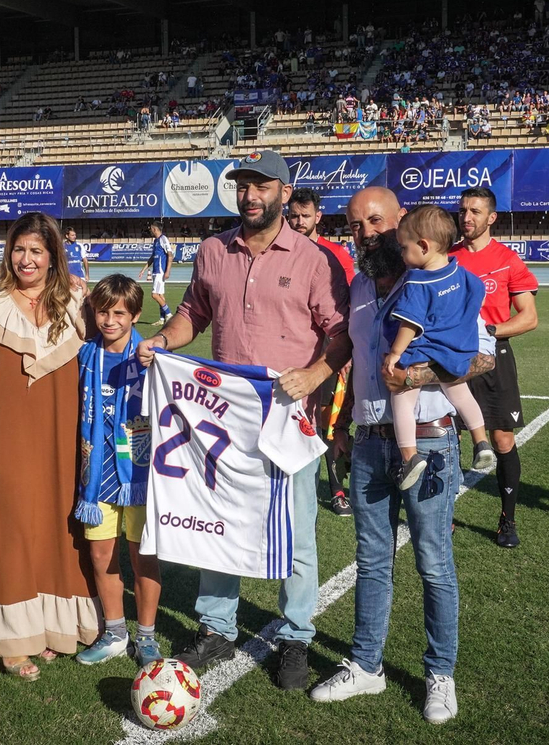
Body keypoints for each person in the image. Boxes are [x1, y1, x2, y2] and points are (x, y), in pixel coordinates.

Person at [134, 149, 351, 692]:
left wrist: (315, 372)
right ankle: (216, 626)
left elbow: (341, 332)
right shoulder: (212, 250)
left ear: (283, 190)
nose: (249, 195)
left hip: (285, 413)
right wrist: (161, 340)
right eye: (242, 186)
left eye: (261, 186)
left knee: (296, 527)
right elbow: (193, 315)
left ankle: (296, 633)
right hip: (224, 414)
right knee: (220, 519)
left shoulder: (313, 259)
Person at [308, 186, 494, 724]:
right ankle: (366, 665)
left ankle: (440, 672)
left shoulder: (442, 279)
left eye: (374, 222)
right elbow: (360, 362)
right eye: (355, 225)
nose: (365, 233)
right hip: (368, 441)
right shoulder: (360, 285)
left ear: (402, 223)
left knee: (433, 562)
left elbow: (481, 356)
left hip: (430, 440)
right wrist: (341, 425)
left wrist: (414, 374)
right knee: (371, 562)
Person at [0, 212, 98, 677]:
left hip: (60, 433)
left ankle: (50, 626)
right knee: (9, 525)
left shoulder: (78, 299)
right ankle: (10, 638)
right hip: (1, 432)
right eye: (18, 250)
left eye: (36, 251)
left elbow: (113, 345)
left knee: (55, 526)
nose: (26, 259)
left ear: (53, 255)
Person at [73, 275, 161, 667]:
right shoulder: (85, 354)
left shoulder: (150, 357)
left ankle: (146, 636)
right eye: (103, 312)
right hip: (96, 473)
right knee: (101, 554)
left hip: (139, 474)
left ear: (135, 315)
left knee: (143, 557)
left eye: (120, 313)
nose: (110, 321)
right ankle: (114, 632)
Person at [449, 187, 540, 548]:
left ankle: (507, 519)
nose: (466, 217)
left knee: (502, 439)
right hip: (452, 358)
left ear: (491, 217)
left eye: (474, 211)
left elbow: (529, 318)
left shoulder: (507, 260)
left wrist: (487, 330)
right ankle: (446, 517)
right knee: (447, 437)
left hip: (494, 358)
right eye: (462, 211)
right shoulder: (447, 257)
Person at [382, 204, 496, 488]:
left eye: (403, 247)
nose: (402, 254)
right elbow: (477, 293)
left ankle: (409, 456)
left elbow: (409, 323)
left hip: (423, 352)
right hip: (457, 351)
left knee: (402, 400)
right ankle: (481, 441)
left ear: (423, 246)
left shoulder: (418, 282)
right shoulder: (461, 273)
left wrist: (395, 354)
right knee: (461, 393)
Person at [284, 188, 357, 516]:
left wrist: (345, 351)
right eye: (294, 216)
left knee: (329, 421)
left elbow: (349, 306)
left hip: (329, 351)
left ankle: (338, 488)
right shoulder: (280, 250)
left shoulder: (335, 254)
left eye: (305, 216)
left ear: (318, 217)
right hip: (292, 352)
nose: (299, 222)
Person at [139, 223, 174, 323]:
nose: (150, 230)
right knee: (160, 295)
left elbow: (170, 255)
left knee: (154, 295)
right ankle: (162, 319)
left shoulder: (163, 239)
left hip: (160, 271)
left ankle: (169, 314)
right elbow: (152, 258)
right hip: (155, 271)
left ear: (155, 229)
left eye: (151, 229)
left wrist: (167, 271)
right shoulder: (156, 241)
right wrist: (143, 270)